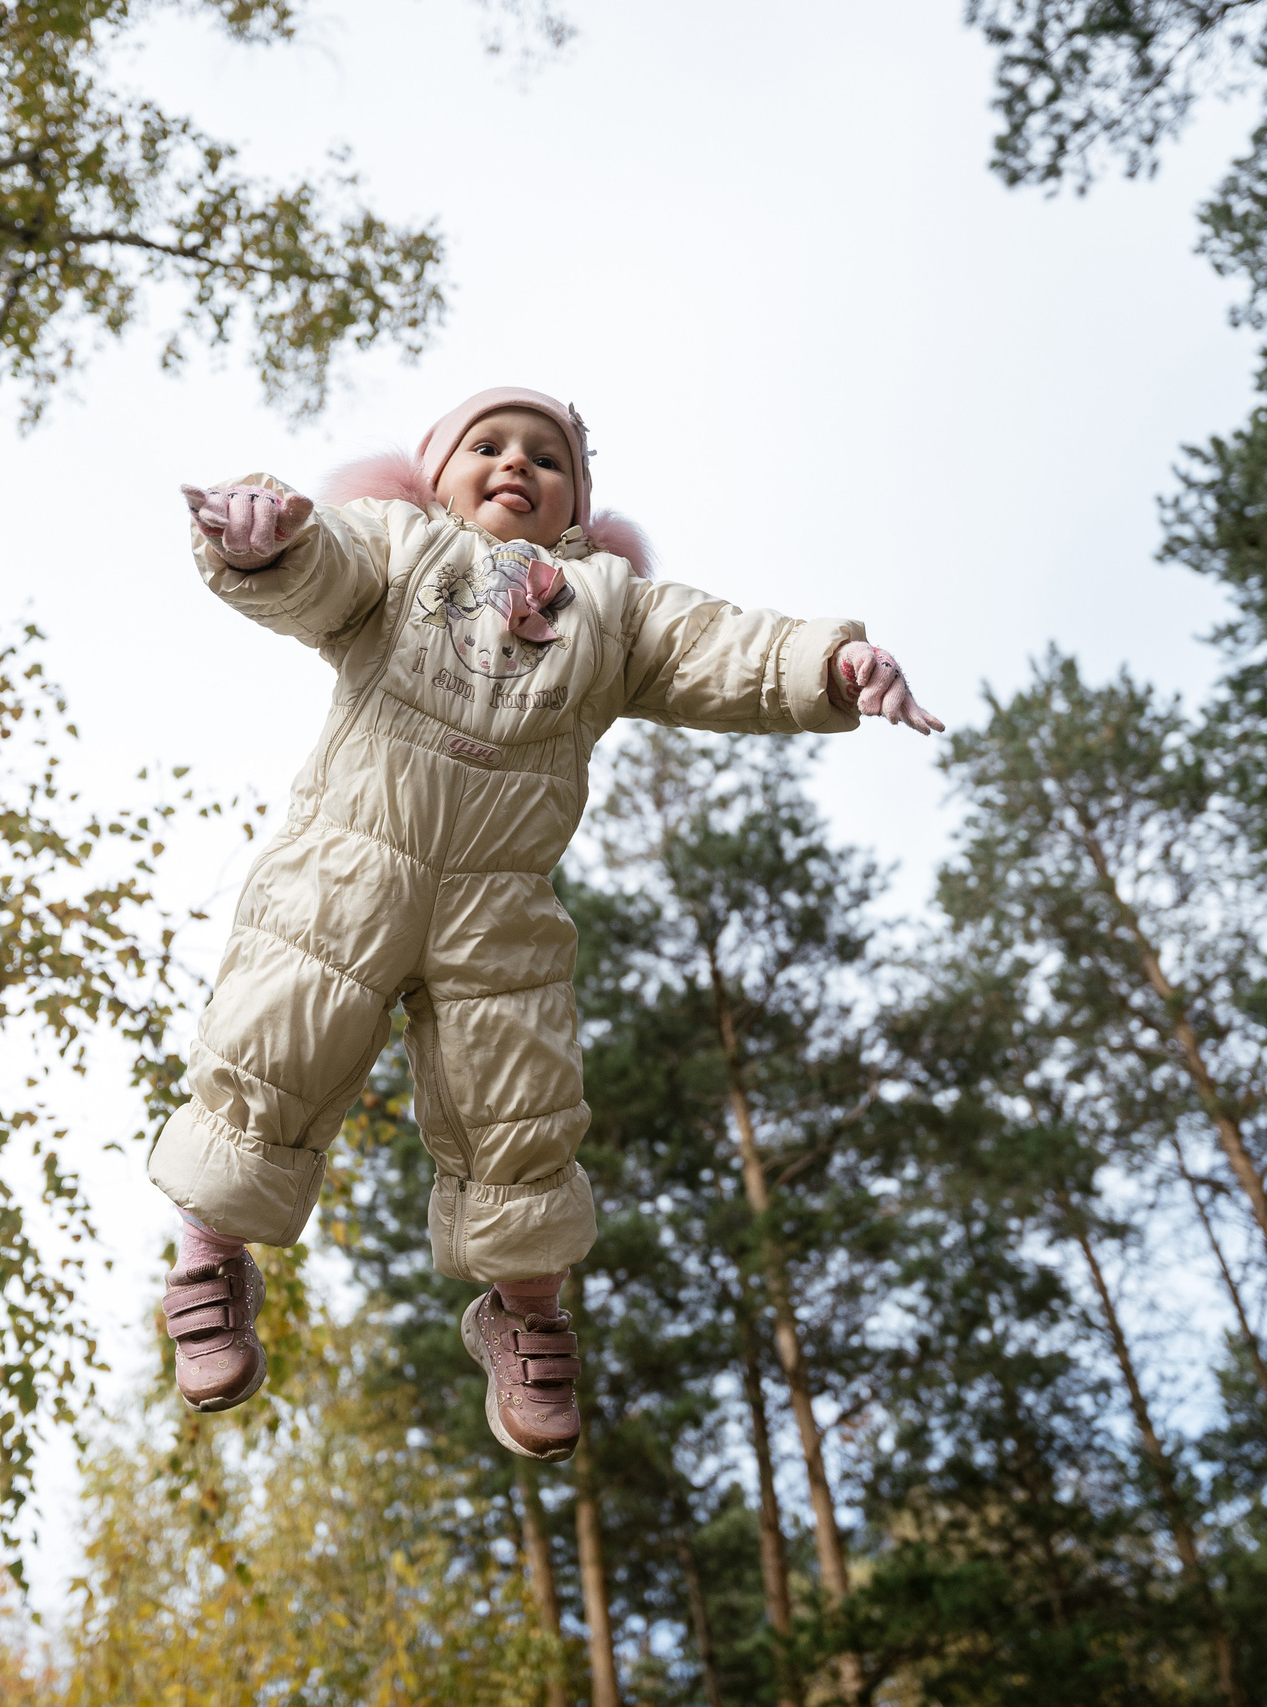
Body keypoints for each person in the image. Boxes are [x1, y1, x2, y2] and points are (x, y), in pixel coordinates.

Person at [152, 387, 940, 1461]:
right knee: (271, 1050)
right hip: (344, 869)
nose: (515, 464)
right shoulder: (398, 546)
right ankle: (210, 1257)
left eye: (547, 457)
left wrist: (831, 666)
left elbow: (721, 647)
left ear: (576, 506)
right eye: (487, 446)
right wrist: (263, 538)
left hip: (499, 903)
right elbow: (319, 569)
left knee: (518, 1107)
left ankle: (523, 1316)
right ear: (436, 478)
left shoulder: (608, 608)